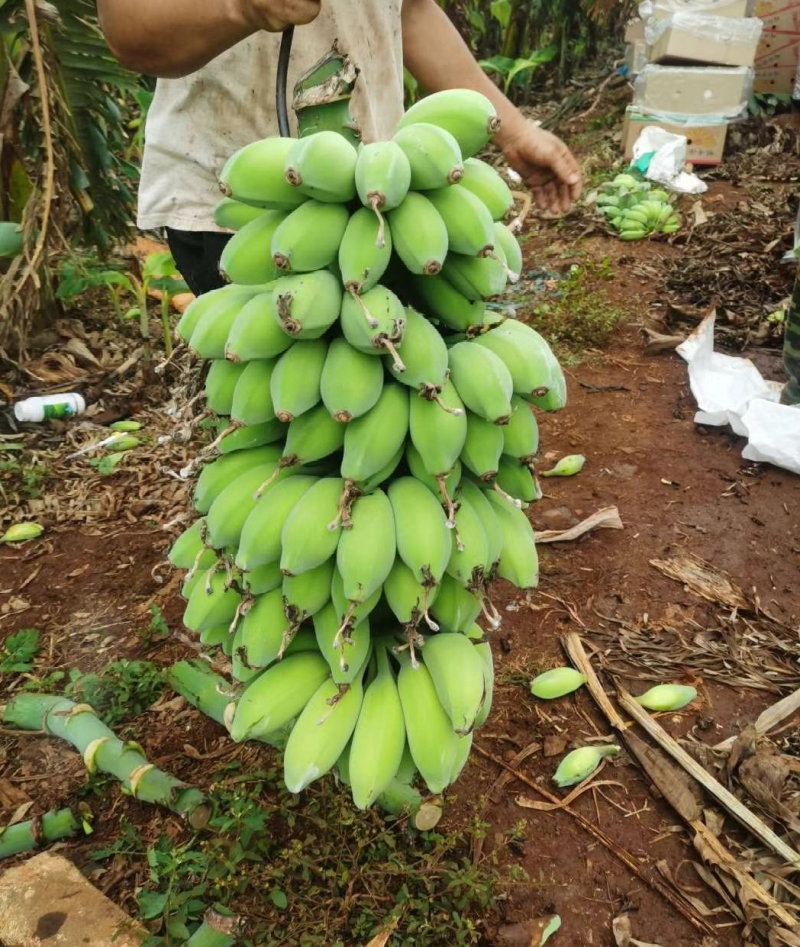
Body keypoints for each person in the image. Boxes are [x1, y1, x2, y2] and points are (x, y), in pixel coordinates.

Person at [98, 0, 583, 297]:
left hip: (383, 200)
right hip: (241, 203)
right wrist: (239, 7)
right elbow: (131, 30)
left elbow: (408, 9)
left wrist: (514, 131)